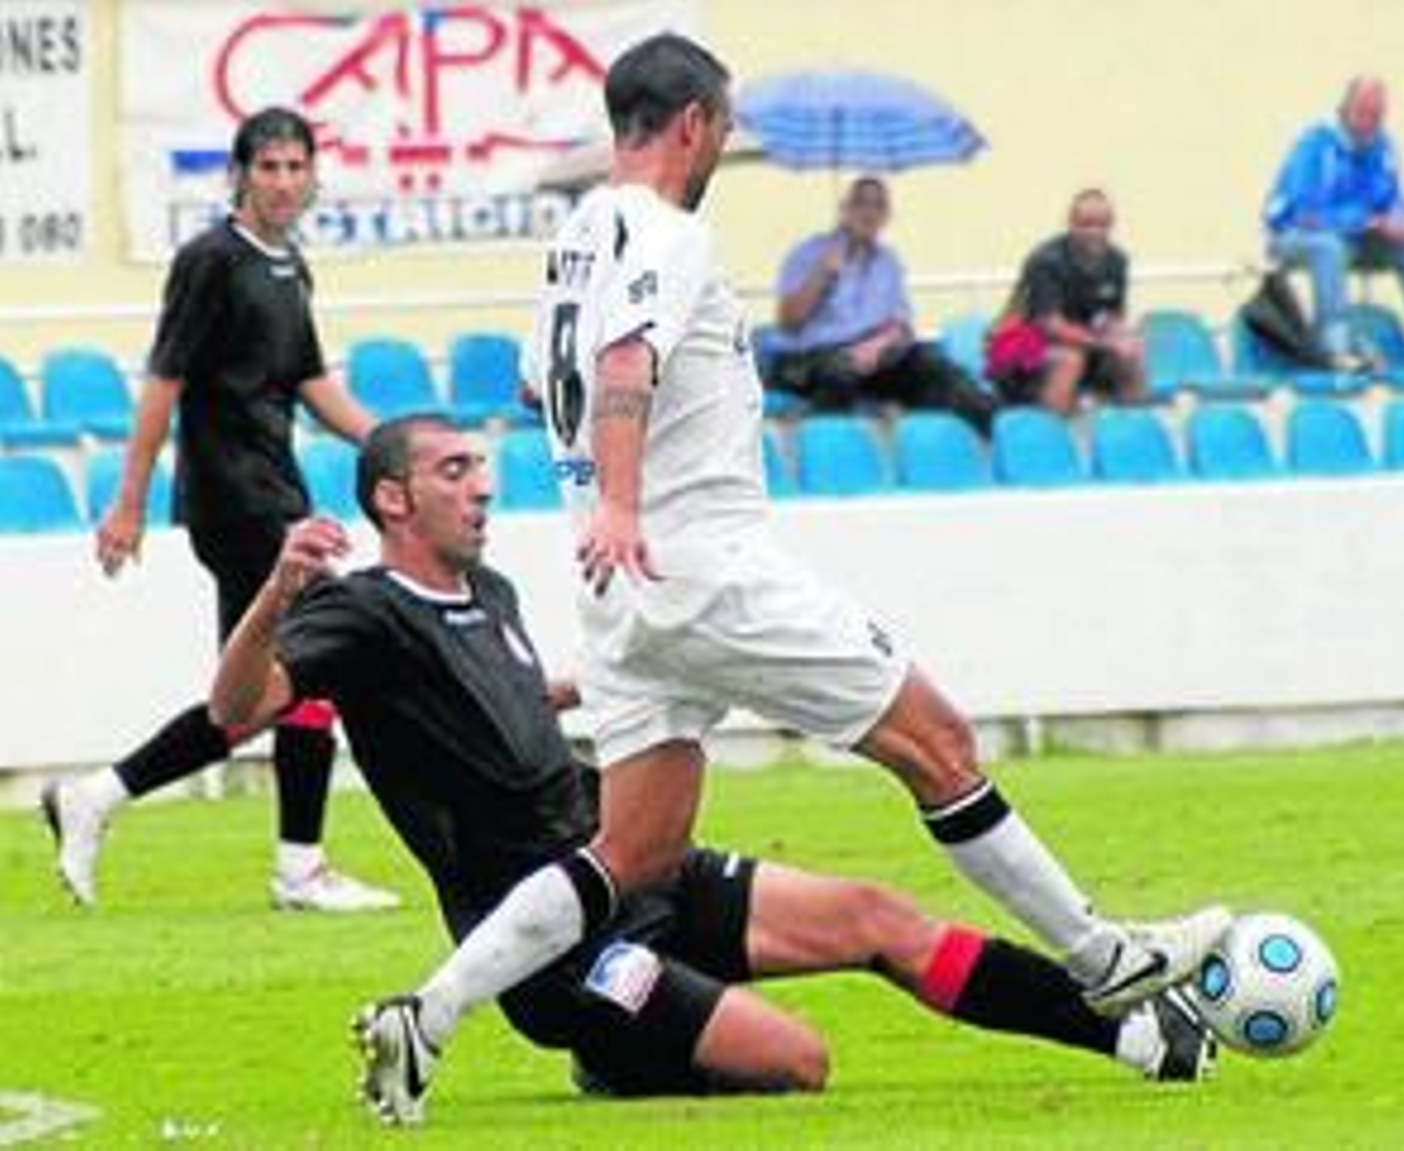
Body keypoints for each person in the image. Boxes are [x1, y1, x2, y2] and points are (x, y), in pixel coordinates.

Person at [356, 34, 1229, 1120]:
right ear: (693, 124)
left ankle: (428, 1014)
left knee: (634, 850)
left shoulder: (576, 237)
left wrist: (618, 492)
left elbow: (550, 382)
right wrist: (624, 498)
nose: (722, 147)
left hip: (623, 592)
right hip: (701, 564)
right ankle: (1103, 959)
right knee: (938, 743)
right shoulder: (667, 231)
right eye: (723, 128)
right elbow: (625, 361)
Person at [208, 415, 1218, 1124]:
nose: (482, 485)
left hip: (638, 863)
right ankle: (612, 1050)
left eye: (481, 466)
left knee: (878, 916)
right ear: (392, 498)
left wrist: (655, 670)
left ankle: (1138, 1035)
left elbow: (512, 706)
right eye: (454, 470)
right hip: (554, 947)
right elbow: (235, 707)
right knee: (798, 1061)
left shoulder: (493, 592)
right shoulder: (360, 610)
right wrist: (275, 595)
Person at [39, 107, 397, 914]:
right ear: (239, 174)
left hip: (276, 492)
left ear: (313, 176)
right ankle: (299, 868)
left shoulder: (289, 265)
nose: (282, 181)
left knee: (260, 695)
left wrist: (397, 443)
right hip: (235, 501)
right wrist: (127, 502)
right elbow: (162, 382)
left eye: (295, 166)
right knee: (310, 662)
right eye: (267, 166)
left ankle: (99, 795)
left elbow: (312, 383)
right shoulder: (209, 260)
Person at [1263, 76, 1404, 369]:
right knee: (1328, 247)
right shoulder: (1314, 144)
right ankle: (1333, 346)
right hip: (1292, 236)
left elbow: (1392, 197)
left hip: (1353, 239)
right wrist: (1368, 220)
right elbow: (1306, 213)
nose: (1371, 123)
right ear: (1345, 109)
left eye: (1378, 115)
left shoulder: (1381, 146)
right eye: (1365, 113)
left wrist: (1399, 218)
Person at [766, 175, 995, 431]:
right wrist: (822, 274)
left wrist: (875, 347)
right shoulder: (809, 252)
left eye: (878, 205)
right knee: (839, 372)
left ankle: (988, 428)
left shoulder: (888, 262)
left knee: (931, 364)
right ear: (844, 209)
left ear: (886, 216)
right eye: (861, 203)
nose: (869, 212)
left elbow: (901, 326)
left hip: (869, 359)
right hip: (807, 359)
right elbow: (788, 322)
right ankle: (825, 444)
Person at [986, 188, 1148, 414]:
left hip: (1079, 342)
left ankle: (1131, 428)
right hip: (1016, 344)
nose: (1094, 232)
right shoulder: (1046, 261)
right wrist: (1104, 343)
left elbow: (1112, 315)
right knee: (1070, 359)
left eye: (1102, 224)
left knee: (1131, 354)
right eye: (1086, 224)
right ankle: (1051, 432)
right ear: (1070, 223)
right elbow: (1050, 325)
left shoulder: (1117, 261)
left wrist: (1123, 337)